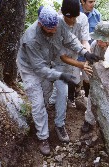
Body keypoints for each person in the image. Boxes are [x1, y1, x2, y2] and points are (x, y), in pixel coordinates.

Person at [16, 6, 99, 155]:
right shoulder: (31, 39)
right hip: (30, 69)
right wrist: (61, 75)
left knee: (46, 96)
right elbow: (39, 69)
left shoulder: (57, 23)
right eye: (50, 30)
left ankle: (48, 120)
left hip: (49, 62)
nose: (54, 31)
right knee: (38, 103)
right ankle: (43, 137)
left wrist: (84, 53)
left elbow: (70, 39)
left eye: (55, 28)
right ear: (41, 24)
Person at [48, 0, 92, 108]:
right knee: (60, 80)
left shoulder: (82, 19)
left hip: (74, 55)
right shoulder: (57, 22)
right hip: (58, 57)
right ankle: (52, 104)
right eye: (69, 17)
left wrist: (88, 55)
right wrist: (81, 64)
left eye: (74, 17)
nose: (72, 20)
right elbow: (61, 55)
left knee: (71, 79)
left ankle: (53, 102)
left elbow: (84, 41)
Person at [81, 21, 109, 132]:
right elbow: (89, 62)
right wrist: (87, 65)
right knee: (92, 96)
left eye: (102, 41)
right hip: (98, 77)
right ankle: (88, 120)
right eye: (97, 39)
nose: (99, 43)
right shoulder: (94, 45)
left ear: (108, 39)